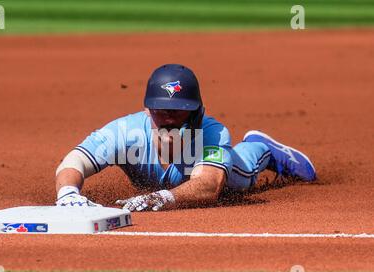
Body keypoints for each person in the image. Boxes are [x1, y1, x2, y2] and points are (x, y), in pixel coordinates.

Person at [55, 64, 316, 212]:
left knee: (244, 175)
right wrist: (67, 192)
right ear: (147, 109)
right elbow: (74, 160)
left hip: (232, 174)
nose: (168, 118)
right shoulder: (125, 132)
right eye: (161, 110)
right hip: (171, 177)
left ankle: (262, 146)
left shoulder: (213, 133)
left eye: (178, 112)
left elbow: (209, 186)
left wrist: (160, 197)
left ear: (196, 112)